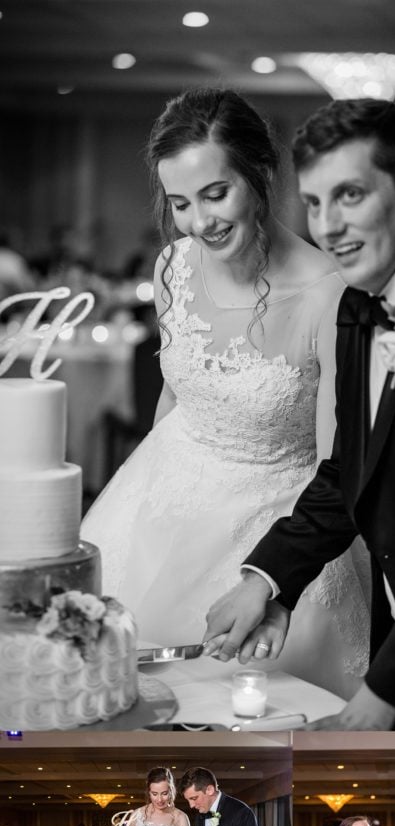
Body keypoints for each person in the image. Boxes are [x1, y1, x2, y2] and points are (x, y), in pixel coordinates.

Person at [203, 96, 395, 731]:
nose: (327, 225)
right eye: (313, 202)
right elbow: (350, 469)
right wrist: (270, 583)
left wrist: (386, 691)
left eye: (350, 196)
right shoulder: (362, 300)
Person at [81, 86, 370, 699]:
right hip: (158, 503)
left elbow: (336, 463)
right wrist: (148, 495)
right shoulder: (173, 267)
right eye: (181, 202)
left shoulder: (329, 295)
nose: (200, 222)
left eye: (216, 194)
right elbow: (174, 397)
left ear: (260, 172)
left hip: (271, 528)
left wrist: (274, 581)